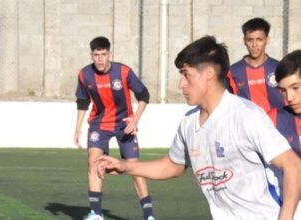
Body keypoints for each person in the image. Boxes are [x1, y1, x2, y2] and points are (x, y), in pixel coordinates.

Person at [96, 36, 301, 219]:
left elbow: (293, 166)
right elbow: (173, 165)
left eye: (186, 75)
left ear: (209, 73)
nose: (181, 84)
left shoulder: (245, 115)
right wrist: (126, 167)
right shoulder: (189, 123)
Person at [74, 36, 155, 220]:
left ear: (109, 54)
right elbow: (82, 101)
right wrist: (78, 128)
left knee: (135, 168)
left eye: (103, 54)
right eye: (96, 55)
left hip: (124, 124)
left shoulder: (124, 72)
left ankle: (149, 215)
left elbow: (144, 95)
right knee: (93, 161)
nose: (100, 59)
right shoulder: (84, 74)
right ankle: (96, 213)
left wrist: (135, 119)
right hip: (99, 125)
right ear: (91, 55)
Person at [267, 50, 301, 215]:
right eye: (283, 91)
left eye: (295, 87)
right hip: (286, 207)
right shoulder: (272, 119)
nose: (289, 97)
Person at [227, 17, 285, 112]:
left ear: (267, 40)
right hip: (247, 125)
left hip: (277, 125)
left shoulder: (279, 68)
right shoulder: (233, 71)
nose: (254, 44)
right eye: (250, 40)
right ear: (244, 41)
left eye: (259, 39)